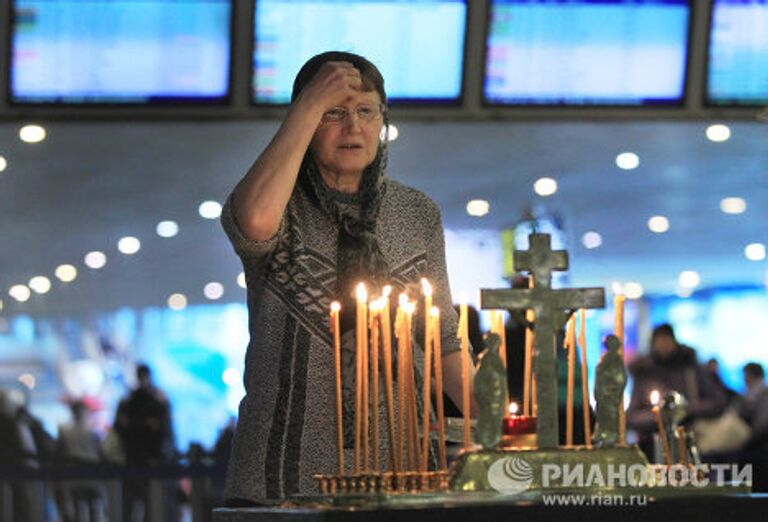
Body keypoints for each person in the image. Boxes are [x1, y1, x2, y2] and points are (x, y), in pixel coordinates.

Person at [221, 51, 475, 503]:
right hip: (283, 469)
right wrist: (307, 104)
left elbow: (444, 340)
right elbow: (254, 222)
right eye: (331, 113)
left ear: (382, 120)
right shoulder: (280, 202)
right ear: (306, 119)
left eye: (365, 111)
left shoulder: (416, 213)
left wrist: (502, 424)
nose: (352, 127)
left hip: (402, 466)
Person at [626, 323, 726, 458]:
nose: (663, 345)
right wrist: (657, 416)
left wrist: (688, 409)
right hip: (652, 443)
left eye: (666, 340)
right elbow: (632, 415)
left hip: (690, 438)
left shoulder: (690, 369)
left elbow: (716, 401)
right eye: (659, 341)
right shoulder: (644, 373)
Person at [114, 363, 175, 521]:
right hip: (149, 459)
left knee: (136, 502)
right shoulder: (156, 400)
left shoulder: (130, 401)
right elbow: (164, 430)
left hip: (135, 458)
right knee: (151, 501)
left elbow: (120, 427)